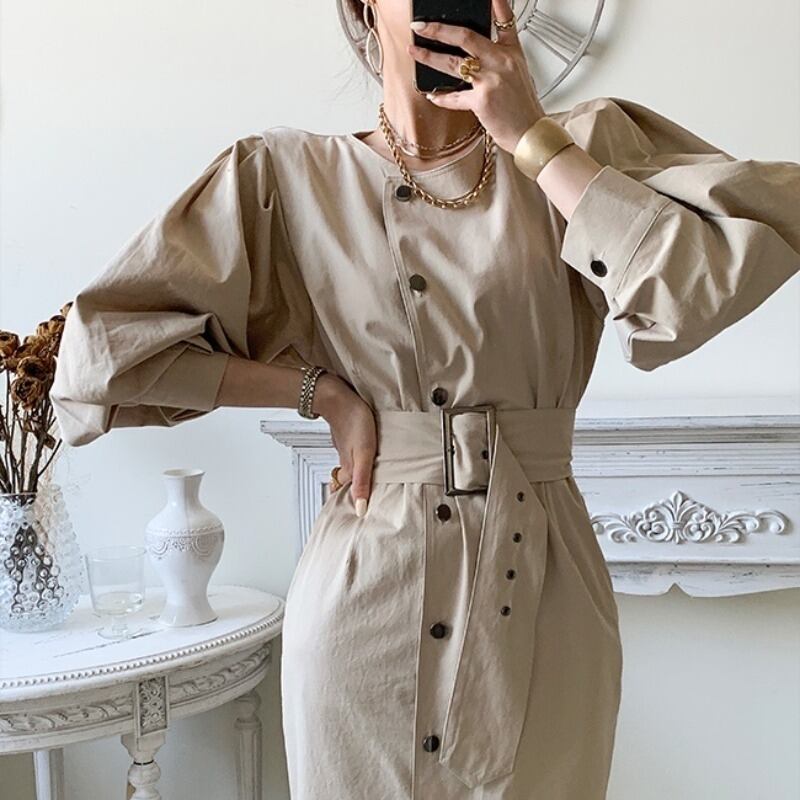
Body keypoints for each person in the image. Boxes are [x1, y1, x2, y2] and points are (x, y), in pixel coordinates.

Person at [50, 0, 800, 797]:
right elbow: (103, 353)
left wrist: (532, 138)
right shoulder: (284, 179)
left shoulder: (581, 146)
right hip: (365, 604)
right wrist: (318, 392)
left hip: (543, 590)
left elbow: (692, 286)